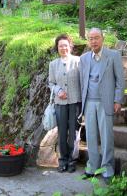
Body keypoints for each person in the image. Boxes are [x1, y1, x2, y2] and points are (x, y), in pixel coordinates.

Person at [79, 28, 124, 183]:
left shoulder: (113, 56)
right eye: (91, 38)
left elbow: (120, 80)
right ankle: (92, 166)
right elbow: (81, 81)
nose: (93, 41)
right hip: (89, 102)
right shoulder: (84, 58)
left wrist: (118, 100)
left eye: (96, 38)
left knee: (107, 136)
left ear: (102, 39)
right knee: (90, 136)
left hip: (106, 101)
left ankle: (107, 168)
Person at [48, 34, 81, 173]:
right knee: (61, 132)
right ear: (57, 47)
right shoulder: (53, 64)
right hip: (60, 102)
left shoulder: (78, 61)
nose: (63, 48)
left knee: (74, 132)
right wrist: (58, 90)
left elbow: (83, 80)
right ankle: (62, 160)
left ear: (70, 46)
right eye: (60, 46)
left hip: (75, 101)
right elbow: (51, 83)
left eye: (65, 45)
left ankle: (72, 160)